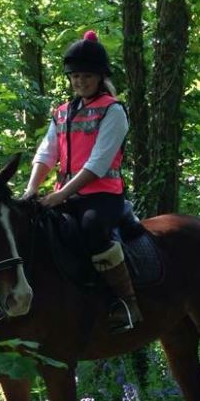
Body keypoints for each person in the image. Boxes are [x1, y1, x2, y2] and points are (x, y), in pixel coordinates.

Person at [22, 30, 143, 333]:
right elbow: (46, 153)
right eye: (75, 76)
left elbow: (97, 164)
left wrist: (60, 197)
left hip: (102, 196)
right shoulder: (62, 113)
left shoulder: (113, 111)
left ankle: (126, 303)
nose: (80, 82)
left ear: (100, 76)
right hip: (65, 193)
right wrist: (32, 189)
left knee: (91, 228)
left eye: (86, 76)